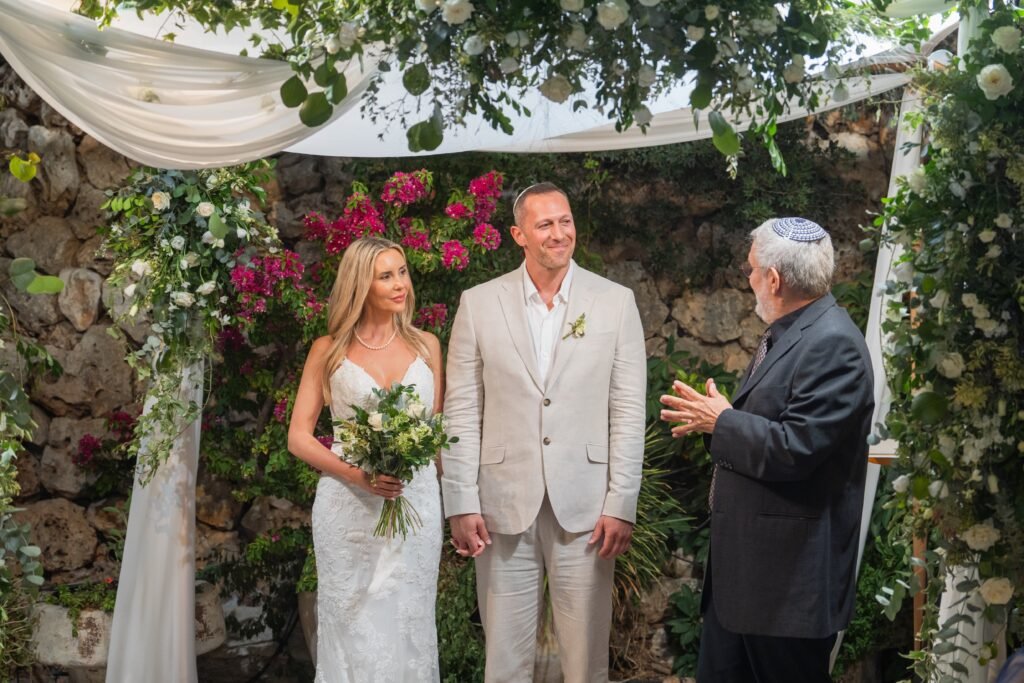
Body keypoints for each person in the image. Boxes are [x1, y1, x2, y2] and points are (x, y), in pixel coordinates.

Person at [442, 182, 647, 682]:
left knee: (585, 663)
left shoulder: (615, 303)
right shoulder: (479, 304)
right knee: (505, 662)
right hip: (501, 504)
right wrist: (461, 501)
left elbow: (627, 409)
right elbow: (462, 409)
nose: (560, 234)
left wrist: (621, 500)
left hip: (587, 508)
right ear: (518, 234)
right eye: (545, 224)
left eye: (566, 221)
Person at [658, 217, 874, 683]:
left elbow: (796, 449)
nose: (747, 273)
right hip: (748, 584)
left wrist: (721, 420)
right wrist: (716, 420)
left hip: (786, 590)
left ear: (773, 280)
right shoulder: (796, 329)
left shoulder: (834, 343)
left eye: (752, 268)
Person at [288, 236, 444, 682]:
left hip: (415, 502)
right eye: (386, 276)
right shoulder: (329, 349)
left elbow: (434, 435)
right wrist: (359, 476)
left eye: (403, 272)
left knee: (410, 619)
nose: (401, 285)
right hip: (348, 507)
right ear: (361, 284)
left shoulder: (428, 346)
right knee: (352, 620)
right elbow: (299, 437)